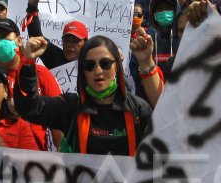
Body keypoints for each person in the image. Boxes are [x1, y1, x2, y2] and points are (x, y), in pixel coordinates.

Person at [14, 31, 159, 153]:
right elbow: (29, 108)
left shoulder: (138, 109)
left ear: (117, 66)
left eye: (105, 64)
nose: (98, 71)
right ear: (82, 71)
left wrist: (147, 63)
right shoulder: (71, 107)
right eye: (90, 65)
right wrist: (27, 63)